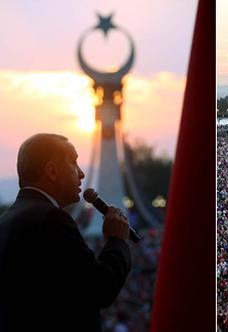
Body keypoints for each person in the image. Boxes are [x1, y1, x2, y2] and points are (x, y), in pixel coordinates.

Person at [0, 133, 132, 332]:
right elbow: (101, 288)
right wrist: (116, 240)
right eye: (73, 162)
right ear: (51, 171)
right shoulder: (52, 219)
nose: (81, 174)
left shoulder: (7, 220)